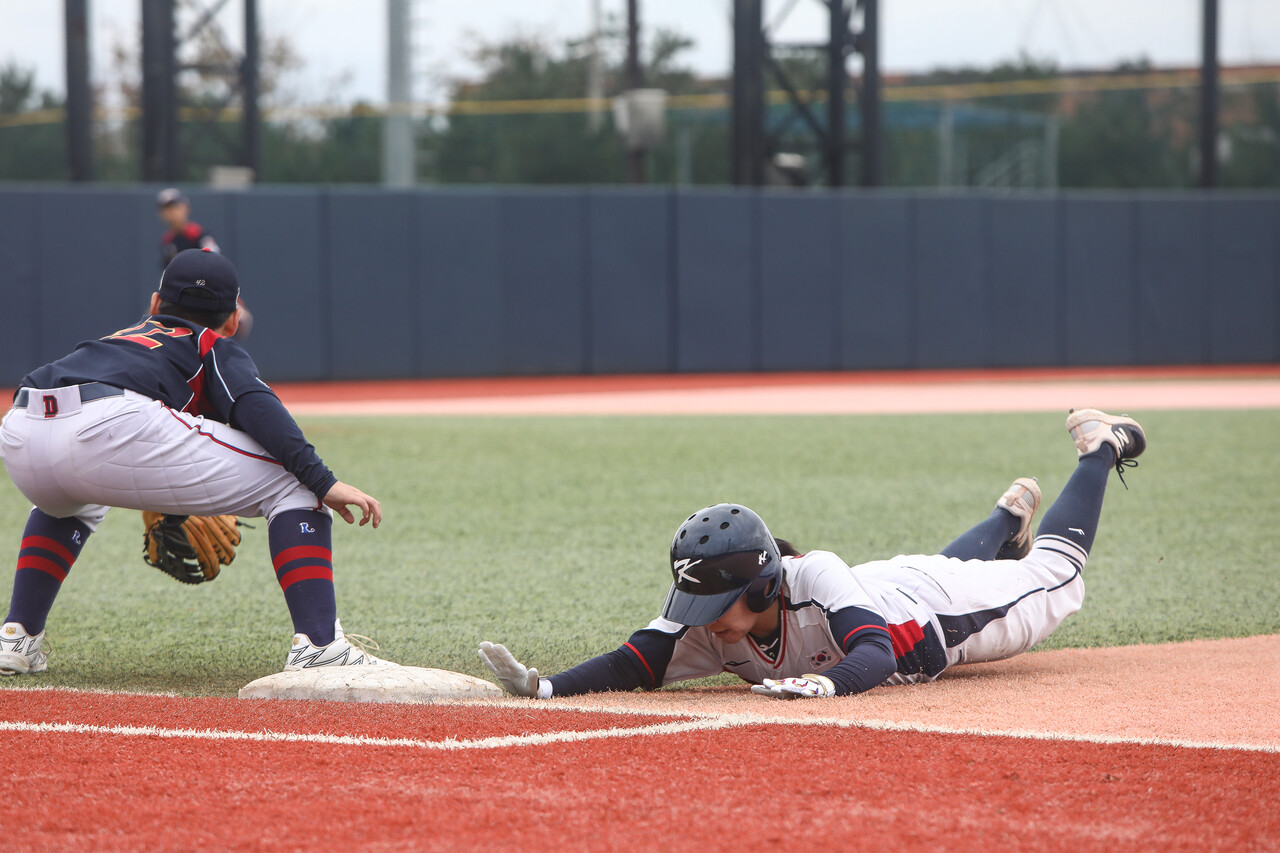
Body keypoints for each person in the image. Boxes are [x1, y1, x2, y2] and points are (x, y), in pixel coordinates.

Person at [479, 410, 1145, 699]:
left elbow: (877, 654)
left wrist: (822, 683)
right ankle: (1002, 520)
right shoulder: (717, 627)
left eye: (715, 603)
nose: (703, 618)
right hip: (884, 584)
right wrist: (545, 684)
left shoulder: (814, 572)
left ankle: (1099, 447)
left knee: (1053, 576)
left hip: (937, 620)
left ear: (765, 586)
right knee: (952, 563)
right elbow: (639, 658)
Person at [0, 248, 394, 676]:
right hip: (113, 422)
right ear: (232, 321)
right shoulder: (209, 343)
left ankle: (17, 637)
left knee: (66, 501)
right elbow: (258, 409)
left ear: (154, 305)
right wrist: (324, 482)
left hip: (23, 426)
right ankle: (321, 645)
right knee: (294, 483)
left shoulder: (121, 338)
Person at [156, 188, 253, 341]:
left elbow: (214, 263)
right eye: (166, 209)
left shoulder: (197, 233)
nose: (171, 212)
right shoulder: (168, 240)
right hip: (183, 297)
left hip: (206, 291)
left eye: (175, 207)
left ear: (185, 208)